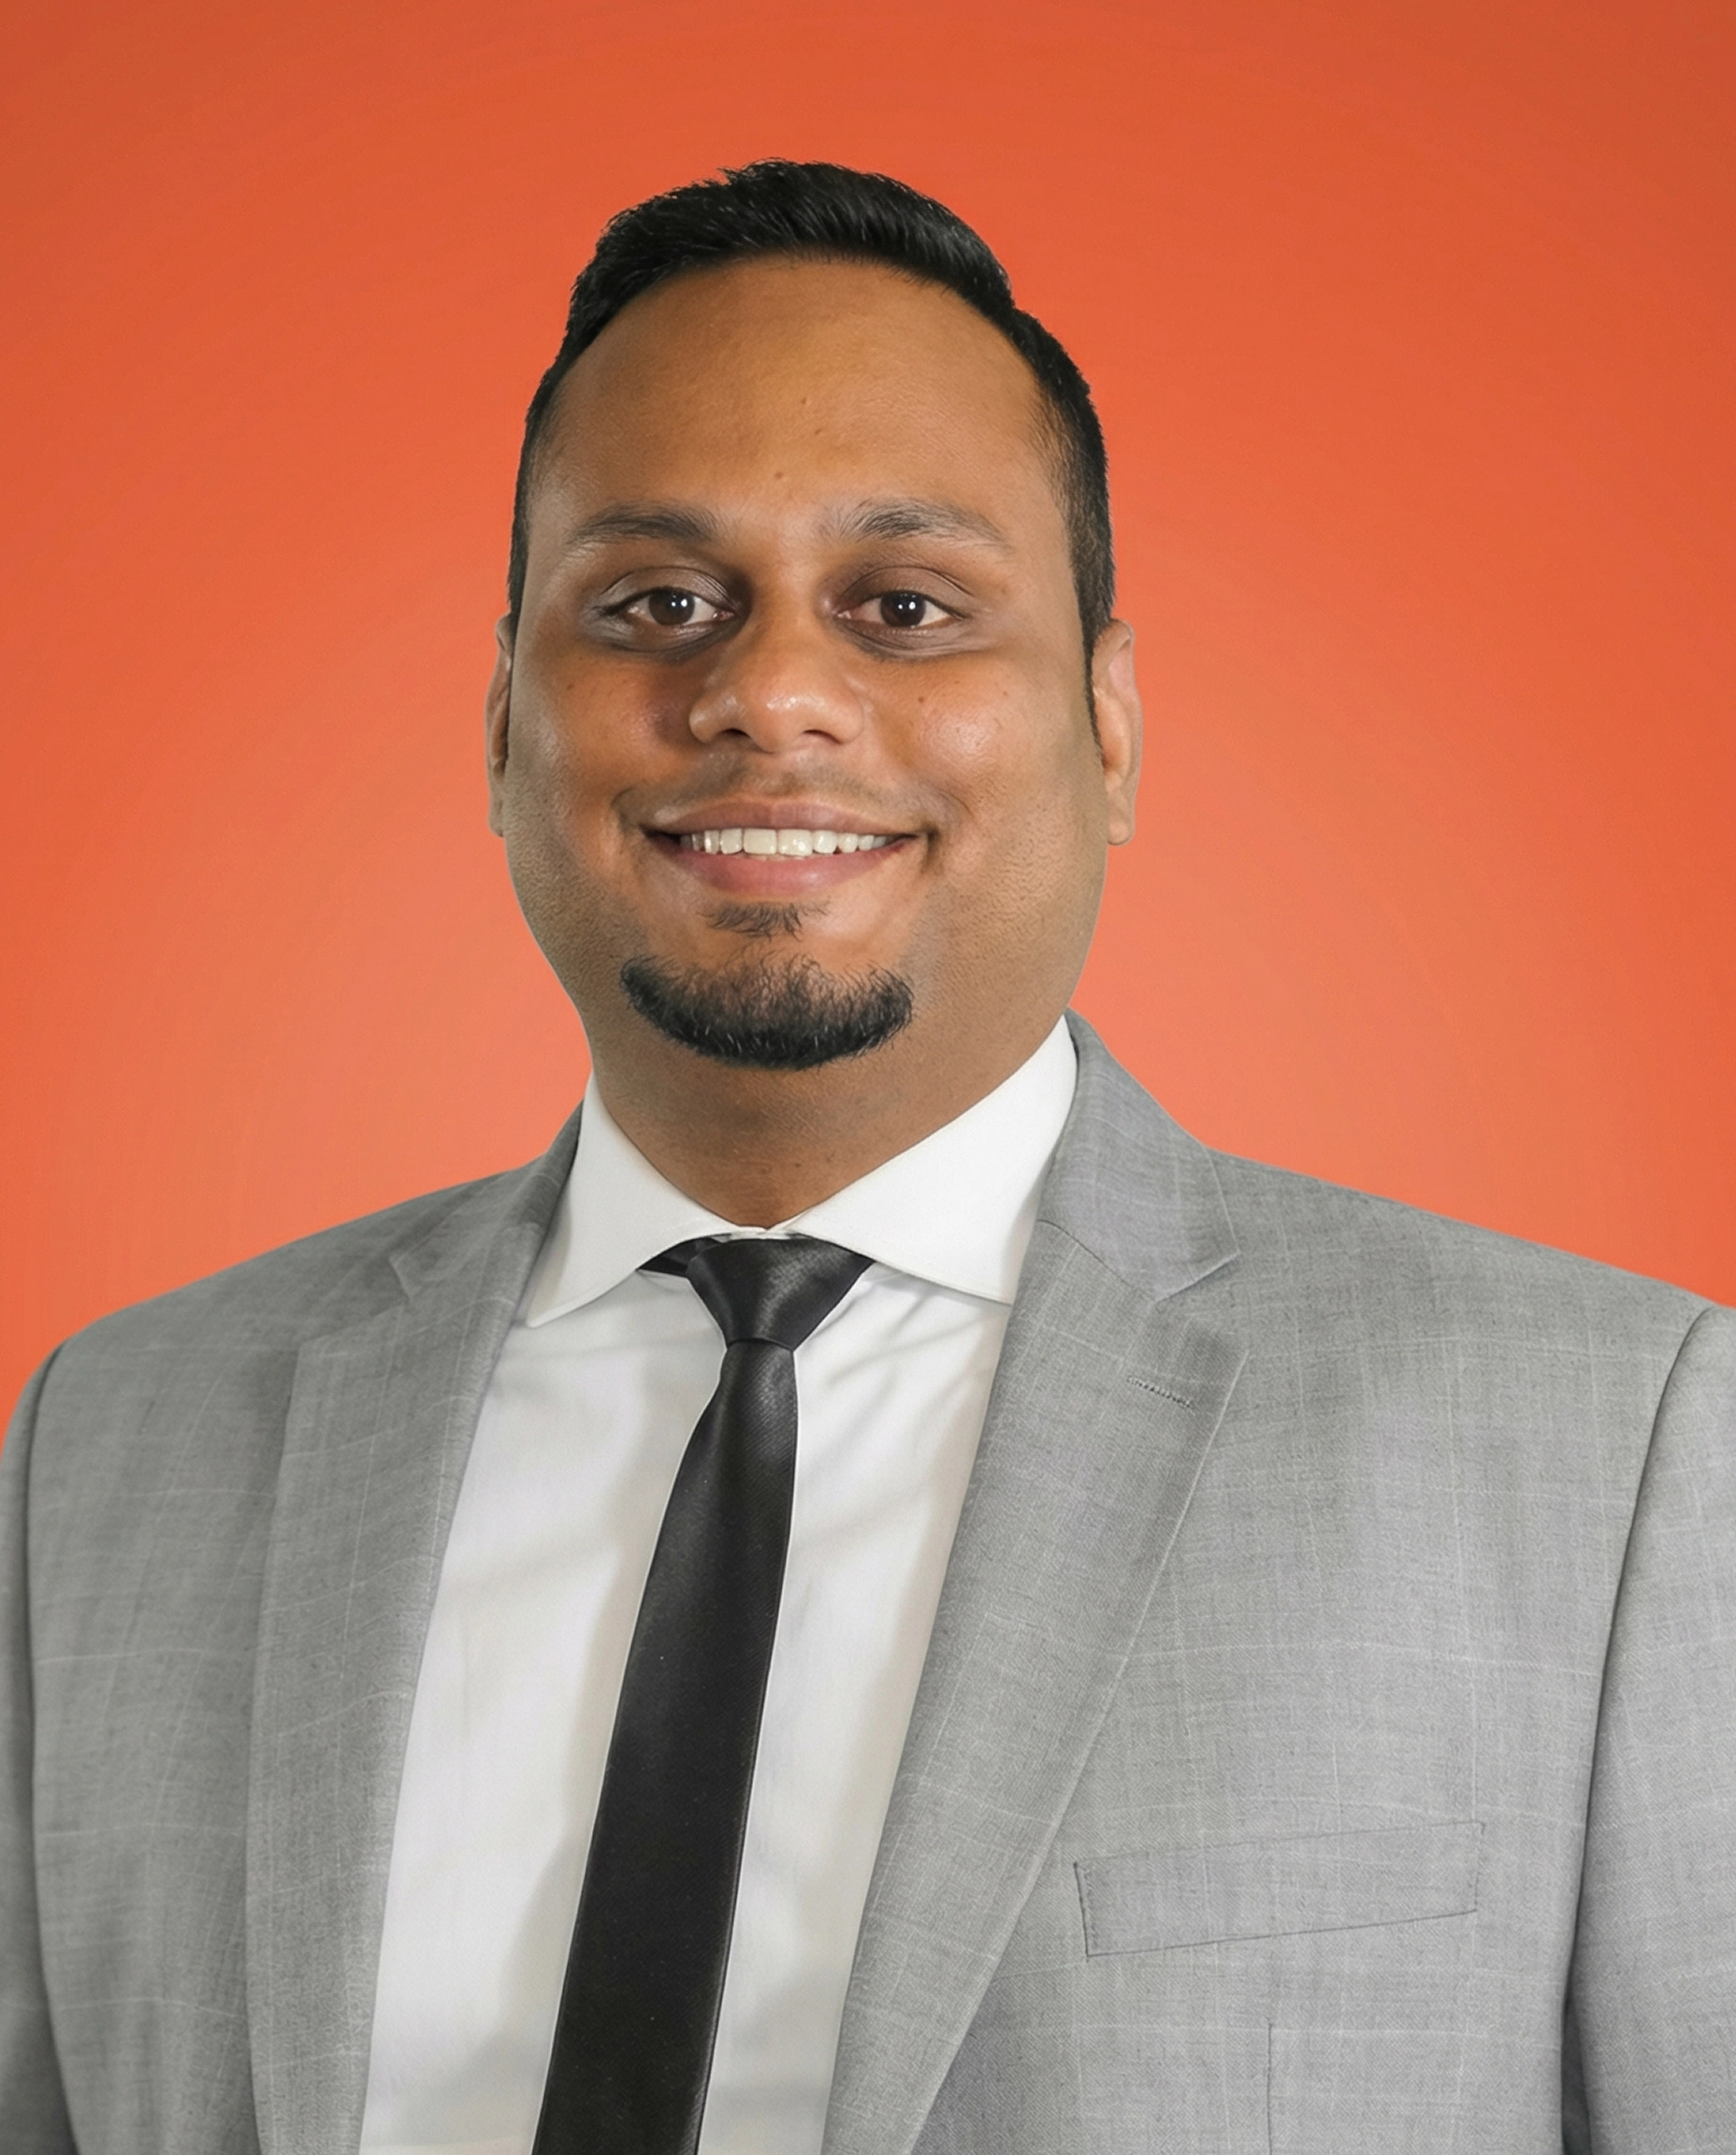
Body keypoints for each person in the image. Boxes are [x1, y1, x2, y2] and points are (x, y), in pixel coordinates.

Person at [3, 159, 1732, 2155]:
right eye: (658, 604)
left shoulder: (1615, 1451)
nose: (769, 695)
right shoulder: (114, 1442)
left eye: (904, 608)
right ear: (500, 721)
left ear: (1109, 723)